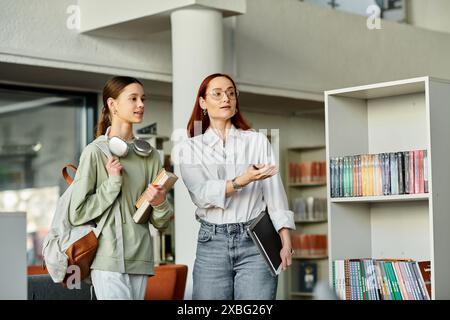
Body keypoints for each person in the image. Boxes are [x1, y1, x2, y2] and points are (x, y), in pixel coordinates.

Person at [178, 73, 295, 300]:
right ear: (203, 102)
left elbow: (274, 194)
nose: (226, 98)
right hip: (212, 242)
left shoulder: (257, 141)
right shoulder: (190, 148)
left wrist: (286, 240)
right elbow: (201, 195)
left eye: (231, 93)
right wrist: (242, 180)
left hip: (256, 241)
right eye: (218, 93)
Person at [68, 76, 173, 300]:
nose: (141, 104)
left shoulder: (150, 155)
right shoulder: (95, 153)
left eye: (143, 99)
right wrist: (113, 182)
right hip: (107, 260)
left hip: (141, 260)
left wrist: (160, 202)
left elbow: (161, 222)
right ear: (112, 105)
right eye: (133, 98)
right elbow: (77, 212)